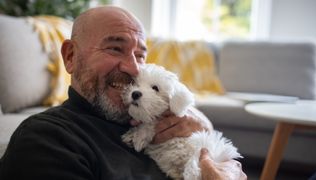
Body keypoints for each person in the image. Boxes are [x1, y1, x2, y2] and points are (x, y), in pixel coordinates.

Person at [0, 6, 246, 180]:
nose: (133, 67)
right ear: (71, 57)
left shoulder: (151, 121)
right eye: (115, 48)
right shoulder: (47, 140)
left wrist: (204, 125)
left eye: (140, 55)